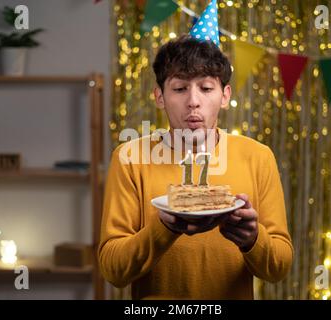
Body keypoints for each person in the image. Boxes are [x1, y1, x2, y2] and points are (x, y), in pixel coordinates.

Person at [98, 35, 293, 299]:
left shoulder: (258, 157)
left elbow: (279, 268)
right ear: (160, 97)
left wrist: (252, 239)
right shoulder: (130, 157)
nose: (193, 101)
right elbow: (113, 270)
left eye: (206, 88)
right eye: (179, 89)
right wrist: (163, 228)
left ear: (225, 96)